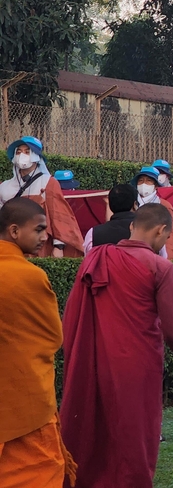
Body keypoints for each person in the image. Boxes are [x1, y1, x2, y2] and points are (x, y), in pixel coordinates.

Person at [61, 203, 173, 486]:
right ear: (161, 230)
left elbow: (71, 315)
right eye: (167, 238)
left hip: (96, 360)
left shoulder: (96, 258)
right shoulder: (160, 267)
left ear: (132, 227)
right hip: (137, 366)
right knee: (134, 435)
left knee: (97, 430)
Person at [0, 198, 75, 487]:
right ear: (15, 231)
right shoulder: (30, 276)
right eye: (40, 229)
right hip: (24, 401)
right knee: (34, 471)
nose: (45, 237)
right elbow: (53, 336)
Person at [0, 137, 83, 257]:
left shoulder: (48, 183)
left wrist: (58, 246)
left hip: (38, 248)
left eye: (27, 151)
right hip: (10, 247)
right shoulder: (4, 186)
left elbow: (59, 216)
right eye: (18, 152)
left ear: (36, 156)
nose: (22, 155)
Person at [134, 165, 173, 259]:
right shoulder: (132, 203)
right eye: (141, 180)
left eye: (148, 181)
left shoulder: (164, 205)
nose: (144, 184)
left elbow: (172, 235)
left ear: (156, 186)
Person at [83, 183, 136, 254]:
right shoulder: (146, 230)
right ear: (134, 204)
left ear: (110, 205)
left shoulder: (93, 233)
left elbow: (88, 259)